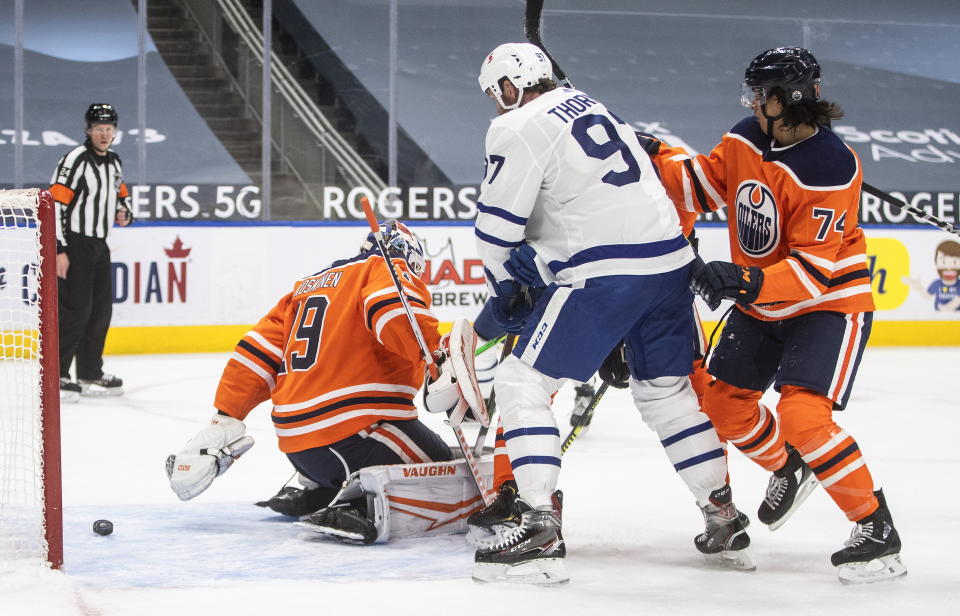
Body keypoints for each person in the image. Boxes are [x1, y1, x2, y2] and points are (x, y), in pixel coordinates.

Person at [470, 43, 750, 585]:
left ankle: (538, 526)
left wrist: (506, 289)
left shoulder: (515, 126)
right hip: (672, 263)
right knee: (667, 394)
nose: (495, 103)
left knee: (519, 379)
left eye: (496, 90)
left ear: (516, 82)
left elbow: (497, 230)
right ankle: (723, 515)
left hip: (603, 272)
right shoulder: (592, 105)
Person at [643, 47, 906, 584]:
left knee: (804, 418)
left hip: (828, 306)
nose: (753, 103)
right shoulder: (746, 136)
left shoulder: (832, 168)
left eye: (760, 95)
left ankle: (876, 528)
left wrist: (744, 279)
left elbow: (814, 273)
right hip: (762, 302)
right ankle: (789, 466)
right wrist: (649, 151)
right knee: (721, 404)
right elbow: (699, 184)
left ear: (787, 99)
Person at [166, 221, 465, 544]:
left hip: (298, 446)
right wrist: (435, 355)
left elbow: (255, 353)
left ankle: (319, 489)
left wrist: (226, 415)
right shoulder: (386, 268)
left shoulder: (306, 287)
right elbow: (392, 311)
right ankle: (359, 500)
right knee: (444, 465)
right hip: (358, 433)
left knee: (409, 444)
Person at [50, 103, 133, 401]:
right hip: (74, 243)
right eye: (98, 128)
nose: (104, 134)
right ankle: (56, 374)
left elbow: (119, 193)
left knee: (100, 311)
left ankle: (89, 372)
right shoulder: (75, 160)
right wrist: (59, 248)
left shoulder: (114, 161)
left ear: (115, 132)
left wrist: (125, 211)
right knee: (75, 310)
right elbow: (56, 203)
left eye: (109, 129)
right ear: (88, 130)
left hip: (100, 244)